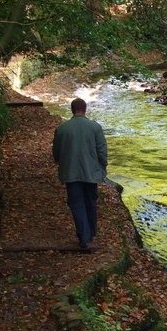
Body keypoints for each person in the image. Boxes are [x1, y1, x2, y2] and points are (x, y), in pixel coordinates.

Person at [52, 97, 108, 249]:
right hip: (91, 172)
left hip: (71, 172)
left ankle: (83, 236)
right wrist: (103, 166)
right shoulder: (95, 127)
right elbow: (102, 151)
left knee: (76, 203)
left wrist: (59, 162)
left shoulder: (62, 128)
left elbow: (56, 152)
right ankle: (91, 232)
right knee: (90, 201)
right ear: (85, 110)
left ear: (72, 110)